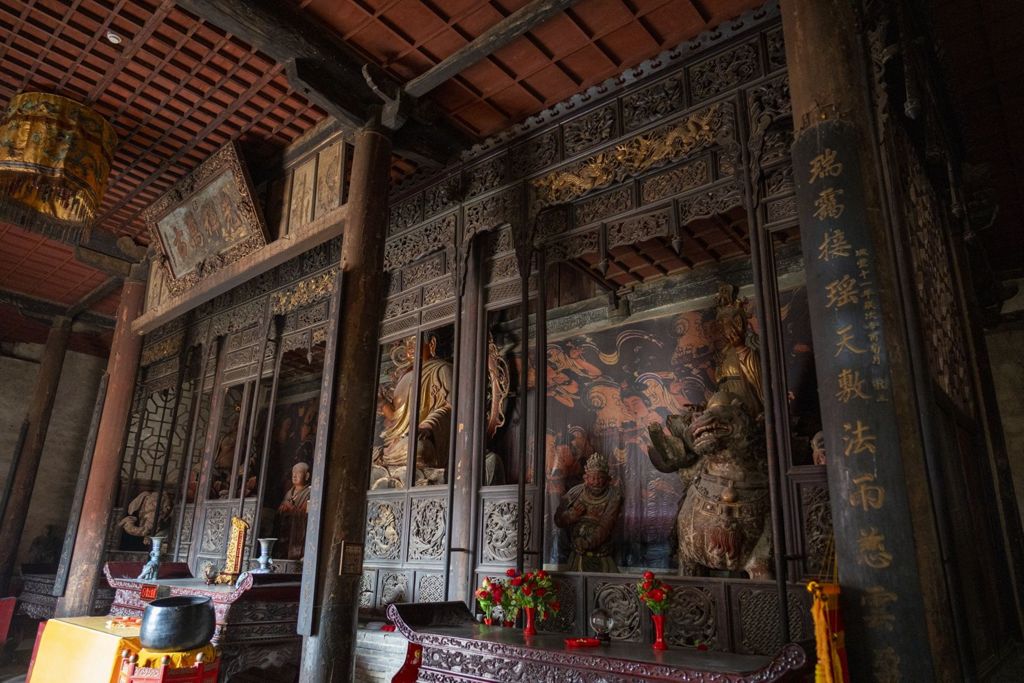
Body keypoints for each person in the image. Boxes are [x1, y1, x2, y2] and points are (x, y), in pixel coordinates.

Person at [372, 333, 453, 489]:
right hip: (400, 442)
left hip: (428, 439)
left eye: (414, 343)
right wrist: (383, 404)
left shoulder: (442, 370)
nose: (410, 348)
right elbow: (397, 421)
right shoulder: (405, 377)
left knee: (418, 448)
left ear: (432, 344)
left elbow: (451, 408)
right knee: (373, 452)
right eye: (408, 345)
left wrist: (427, 427)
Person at [554, 452, 624, 573]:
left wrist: (587, 543)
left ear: (608, 479)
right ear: (586, 478)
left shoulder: (614, 495)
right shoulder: (575, 493)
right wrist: (572, 516)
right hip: (577, 553)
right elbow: (558, 520)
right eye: (593, 478)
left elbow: (607, 524)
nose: (596, 482)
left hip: (602, 553)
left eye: (600, 478)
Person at [277, 461, 312, 559]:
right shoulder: (289, 493)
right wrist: (282, 509)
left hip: (298, 535)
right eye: (293, 473)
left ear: (307, 475)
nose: (295, 475)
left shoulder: (310, 492)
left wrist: (291, 509)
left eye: (299, 472)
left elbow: (307, 514)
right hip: (286, 533)